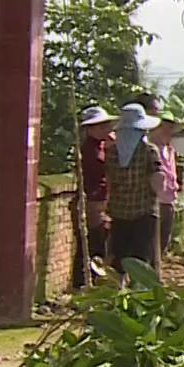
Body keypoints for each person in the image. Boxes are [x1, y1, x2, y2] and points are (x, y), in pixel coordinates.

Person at [106, 103, 163, 281]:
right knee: (142, 258)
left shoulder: (112, 152)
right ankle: (140, 292)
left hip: (119, 211)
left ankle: (119, 289)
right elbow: (157, 179)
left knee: (120, 256)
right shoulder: (148, 151)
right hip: (144, 211)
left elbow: (109, 180)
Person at [76, 106, 116, 276]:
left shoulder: (101, 146)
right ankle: (85, 277)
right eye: (101, 126)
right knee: (94, 239)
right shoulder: (89, 150)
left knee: (100, 239)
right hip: (93, 200)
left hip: (101, 198)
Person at [150, 115, 180, 256]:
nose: (168, 131)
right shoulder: (151, 149)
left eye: (170, 128)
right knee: (152, 239)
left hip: (169, 198)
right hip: (156, 199)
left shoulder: (170, 150)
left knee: (164, 238)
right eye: (164, 127)